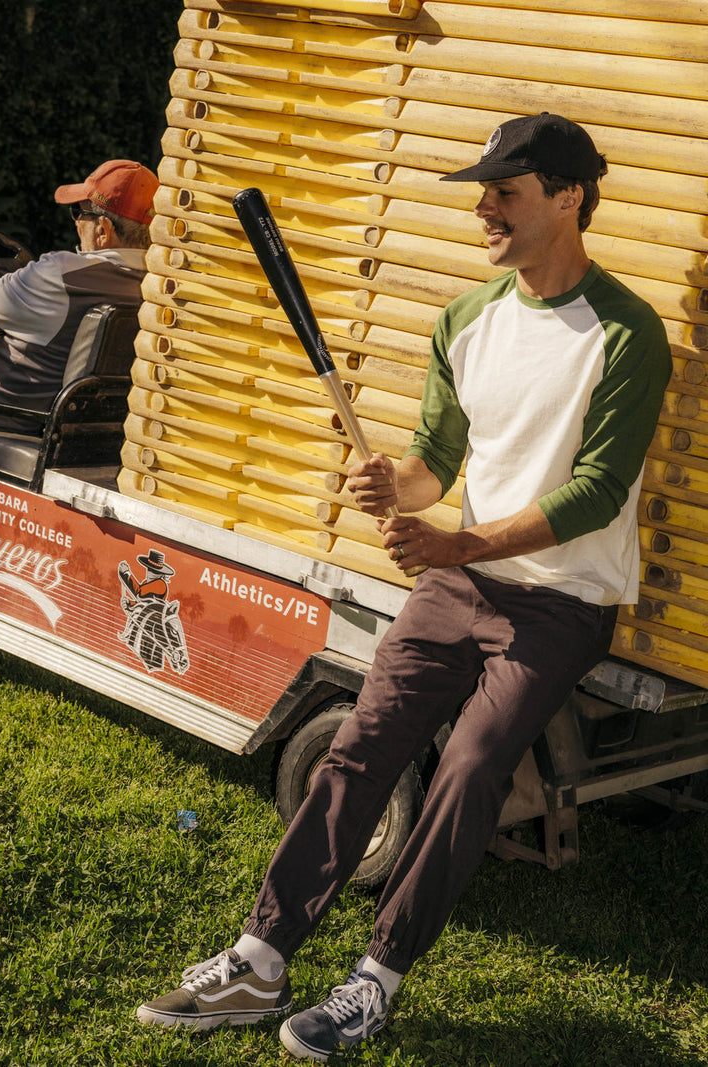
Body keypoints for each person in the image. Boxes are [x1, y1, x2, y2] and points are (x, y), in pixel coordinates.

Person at [134, 113, 672, 1060]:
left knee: (467, 771)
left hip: (563, 600)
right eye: (484, 189)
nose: (485, 208)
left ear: (569, 197)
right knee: (359, 745)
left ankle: (374, 979)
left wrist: (455, 541)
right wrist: (400, 486)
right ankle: (261, 958)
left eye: (506, 190)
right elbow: (436, 458)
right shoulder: (468, 319)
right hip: (461, 583)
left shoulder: (626, 332)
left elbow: (593, 492)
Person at [0, 158, 158, 427]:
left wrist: (3, 318)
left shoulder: (61, 274)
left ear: (102, 230)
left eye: (78, 212)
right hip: (72, 421)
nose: (75, 223)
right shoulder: (159, 288)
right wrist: (7, 320)